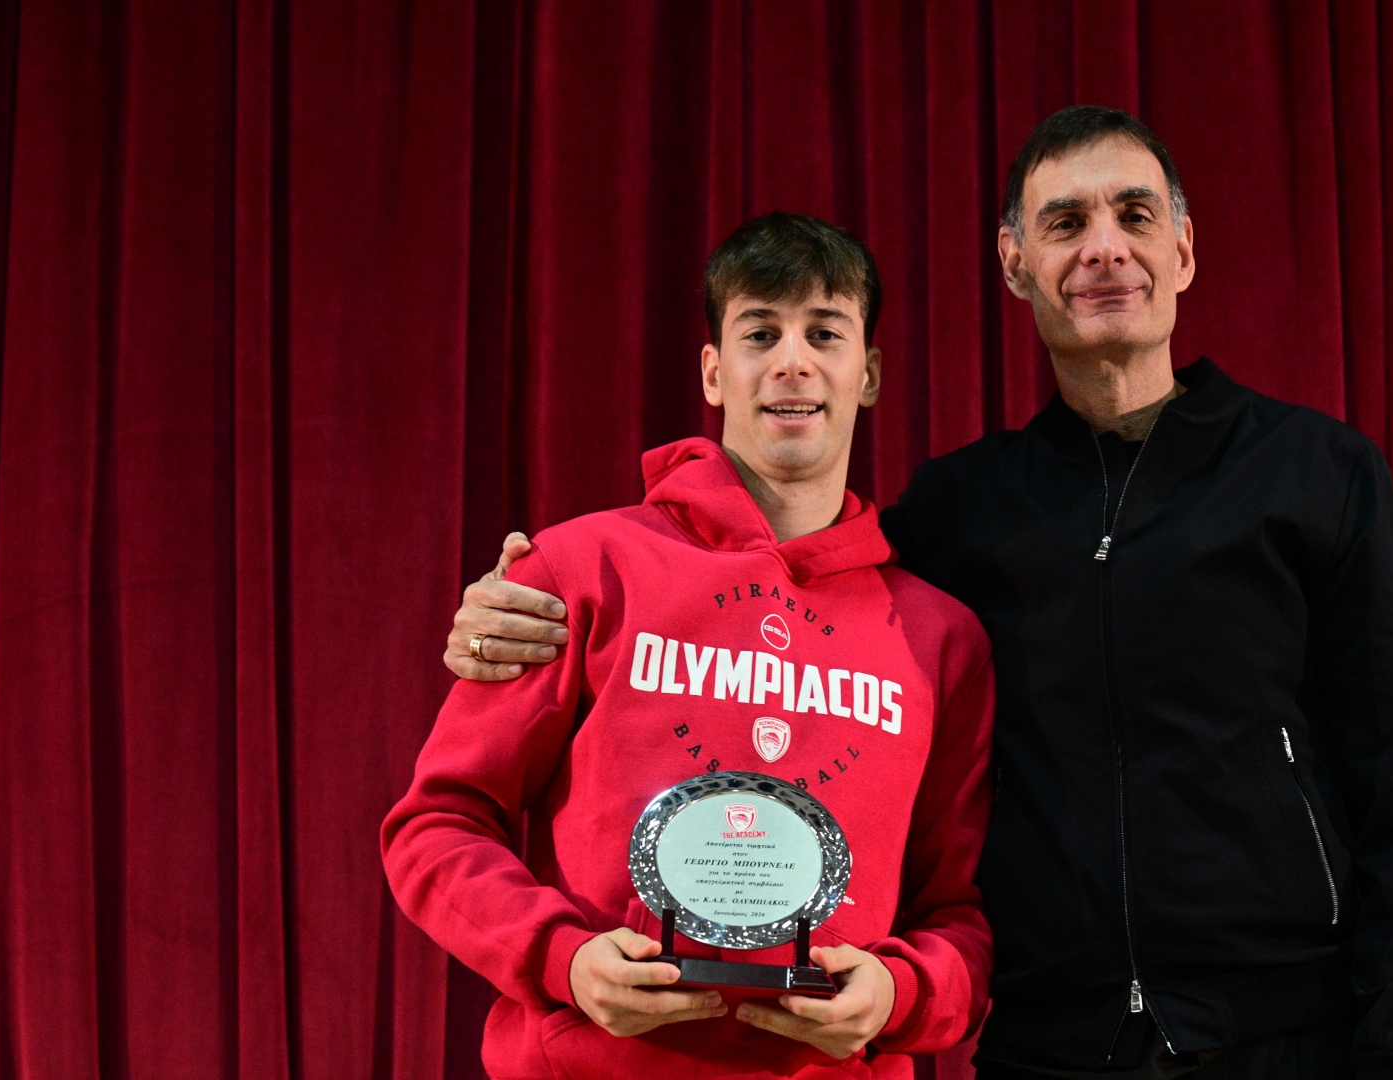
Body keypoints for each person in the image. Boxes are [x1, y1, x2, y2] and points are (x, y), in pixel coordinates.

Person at [449, 108, 1393, 1080]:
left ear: (1184, 250)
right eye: (1065, 223)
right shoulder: (959, 512)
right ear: (1016, 264)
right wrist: (507, 608)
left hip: (1287, 1034)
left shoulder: (1315, 474)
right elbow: (793, 574)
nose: (1104, 248)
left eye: (1134, 215)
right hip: (1052, 1047)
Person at [385, 212, 995, 1080]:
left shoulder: (942, 638)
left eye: (825, 333)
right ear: (713, 371)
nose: (792, 361)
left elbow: (960, 915)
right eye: (760, 333)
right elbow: (435, 826)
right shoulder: (580, 569)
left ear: (868, 373)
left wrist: (902, 994)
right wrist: (563, 959)